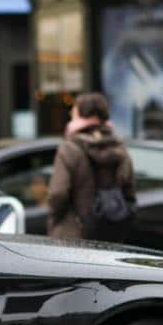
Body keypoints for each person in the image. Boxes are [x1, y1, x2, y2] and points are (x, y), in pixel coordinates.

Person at [47, 92, 136, 242]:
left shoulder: (70, 149)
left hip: (73, 236)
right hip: (112, 236)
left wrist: (54, 221)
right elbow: (130, 192)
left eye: (73, 110)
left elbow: (58, 193)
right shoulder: (119, 148)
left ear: (80, 115)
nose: (70, 112)